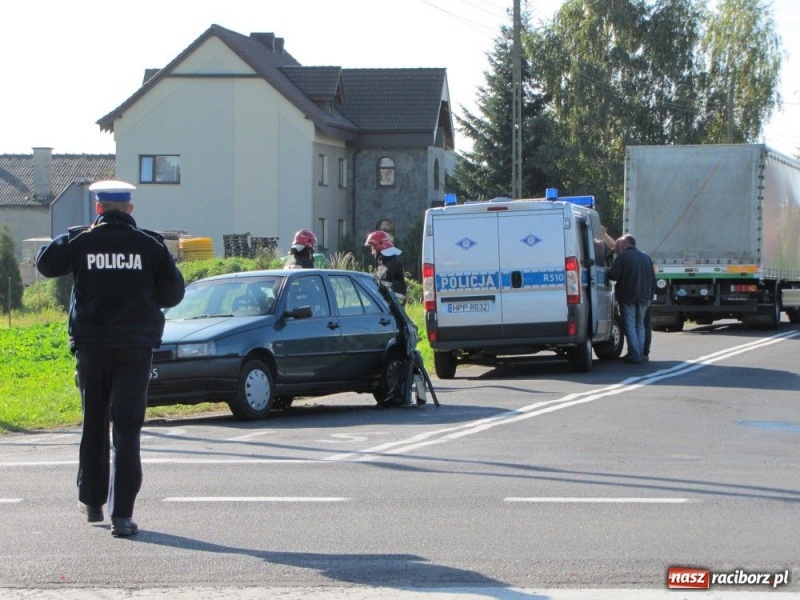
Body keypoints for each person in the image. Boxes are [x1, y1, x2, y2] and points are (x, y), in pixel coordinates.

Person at [36, 180, 185, 537]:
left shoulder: (81, 241)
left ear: (99, 209)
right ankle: (122, 515)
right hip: (135, 348)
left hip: (92, 346)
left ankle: (91, 502)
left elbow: (45, 264)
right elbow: (174, 293)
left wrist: (72, 236)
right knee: (128, 429)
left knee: (94, 423)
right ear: (130, 209)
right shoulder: (150, 246)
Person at [607, 234, 656, 364]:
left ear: (626, 244)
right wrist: (650, 296)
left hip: (628, 296)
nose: (617, 247)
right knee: (640, 326)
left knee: (630, 326)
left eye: (619, 245)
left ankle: (635, 356)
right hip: (644, 297)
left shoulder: (622, 257)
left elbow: (613, 275)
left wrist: (607, 270)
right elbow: (653, 278)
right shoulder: (646, 257)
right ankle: (640, 353)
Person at [365, 230, 407, 304]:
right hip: (382, 310)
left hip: (390, 312)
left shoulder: (395, 265)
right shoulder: (382, 265)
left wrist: (390, 309)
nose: (372, 252)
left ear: (379, 247)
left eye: (373, 249)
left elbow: (399, 294)